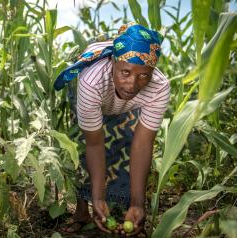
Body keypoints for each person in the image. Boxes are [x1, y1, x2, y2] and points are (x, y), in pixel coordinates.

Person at [54, 22, 169, 235]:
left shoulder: (159, 87)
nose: (133, 84)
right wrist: (97, 196)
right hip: (89, 87)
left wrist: (138, 203)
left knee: (124, 137)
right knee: (81, 143)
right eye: (125, 72)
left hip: (116, 97)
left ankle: (128, 208)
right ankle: (82, 210)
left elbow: (142, 145)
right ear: (113, 61)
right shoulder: (91, 80)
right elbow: (94, 143)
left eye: (144, 75)